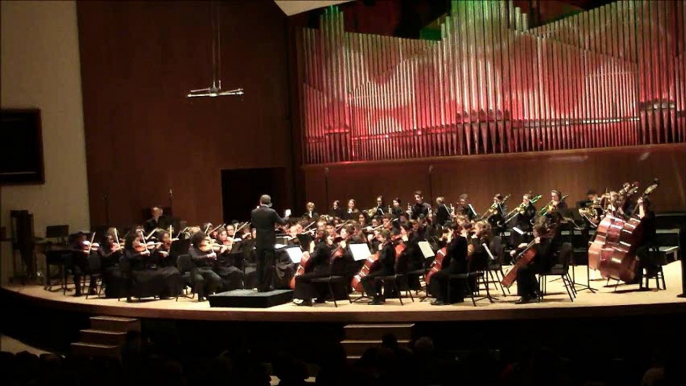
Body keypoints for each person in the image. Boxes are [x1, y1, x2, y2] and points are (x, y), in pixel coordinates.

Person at [251, 194, 290, 292]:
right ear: (269, 203)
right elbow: (282, 222)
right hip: (269, 241)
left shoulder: (254, 212)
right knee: (268, 264)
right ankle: (266, 286)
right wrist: (287, 216)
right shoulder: (271, 212)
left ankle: (259, 286)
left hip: (259, 241)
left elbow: (254, 224)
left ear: (260, 202)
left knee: (259, 264)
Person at [510, 223, 557, 304]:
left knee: (522, 270)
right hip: (537, 263)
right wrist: (518, 250)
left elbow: (543, 254)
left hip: (545, 265)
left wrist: (538, 244)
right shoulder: (537, 239)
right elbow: (530, 248)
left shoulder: (548, 241)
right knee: (523, 269)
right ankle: (532, 293)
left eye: (534, 231)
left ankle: (525, 296)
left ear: (538, 232)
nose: (533, 233)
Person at [429, 222, 468, 305]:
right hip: (460, 266)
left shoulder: (458, 240)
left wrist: (449, 240)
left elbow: (450, 251)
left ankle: (441, 299)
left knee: (435, 276)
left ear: (451, 230)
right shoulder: (461, 239)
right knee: (441, 273)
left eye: (448, 231)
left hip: (457, 267)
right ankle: (455, 298)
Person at [361, 230, 396, 305]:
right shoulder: (389, 245)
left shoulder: (387, 247)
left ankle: (375, 296)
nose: (378, 239)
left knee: (364, 279)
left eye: (380, 237)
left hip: (387, 270)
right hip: (388, 269)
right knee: (374, 277)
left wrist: (380, 250)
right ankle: (378, 296)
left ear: (385, 237)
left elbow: (382, 260)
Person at [188, 231, 222, 301]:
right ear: (198, 241)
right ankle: (200, 297)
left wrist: (214, 256)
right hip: (196, 270)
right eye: (203, 240)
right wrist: (207, 256)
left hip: (207, 269)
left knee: (217, 279)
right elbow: (195, 258)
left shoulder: (206, 248)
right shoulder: (192, 249)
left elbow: (212, 258)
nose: (205, 241)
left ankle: (209, 293)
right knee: (199, 280)